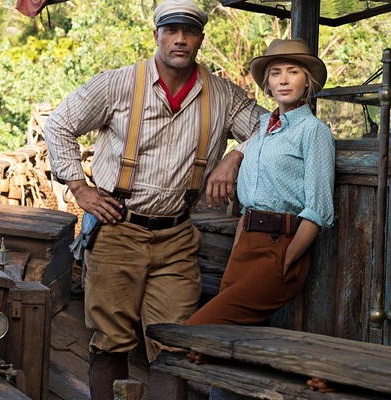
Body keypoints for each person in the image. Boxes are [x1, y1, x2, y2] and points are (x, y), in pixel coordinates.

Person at [44, 0, 266, 399]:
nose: (180, 39)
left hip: (177, 236)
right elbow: (59, 124)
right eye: (172, 30)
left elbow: (272, 126)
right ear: (156, 35)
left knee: (175, 343)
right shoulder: (118, 83)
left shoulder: (222, 95)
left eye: (189, 32)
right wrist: (79, 188)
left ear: (200, 39)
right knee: (111, 340)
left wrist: (235, 156)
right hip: (117, 229)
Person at [184, 38, 335, 398]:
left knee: (197, 331)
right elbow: (248, 197)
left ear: (307, 81)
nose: (284, 79)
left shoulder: (313, 131)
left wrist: (287, 259)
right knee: (236, 350)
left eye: (293, 72)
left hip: (281, 247)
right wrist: (240, 240)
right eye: (276, 73)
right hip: (245, 243)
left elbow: (318, 208)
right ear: (267, 83)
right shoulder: (262, 127)